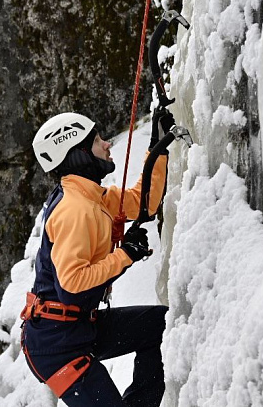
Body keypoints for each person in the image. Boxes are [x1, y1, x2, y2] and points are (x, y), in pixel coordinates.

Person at [21, 109, 175, 406]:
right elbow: (72, 286)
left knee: (160, 324)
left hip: (78, 327)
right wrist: (125, 255)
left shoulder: (92, 196)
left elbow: (143, 203)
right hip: (57, 347)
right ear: (77, 153)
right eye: (97, 141)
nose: (107, 144)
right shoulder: (75, 210)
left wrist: (158, 147)